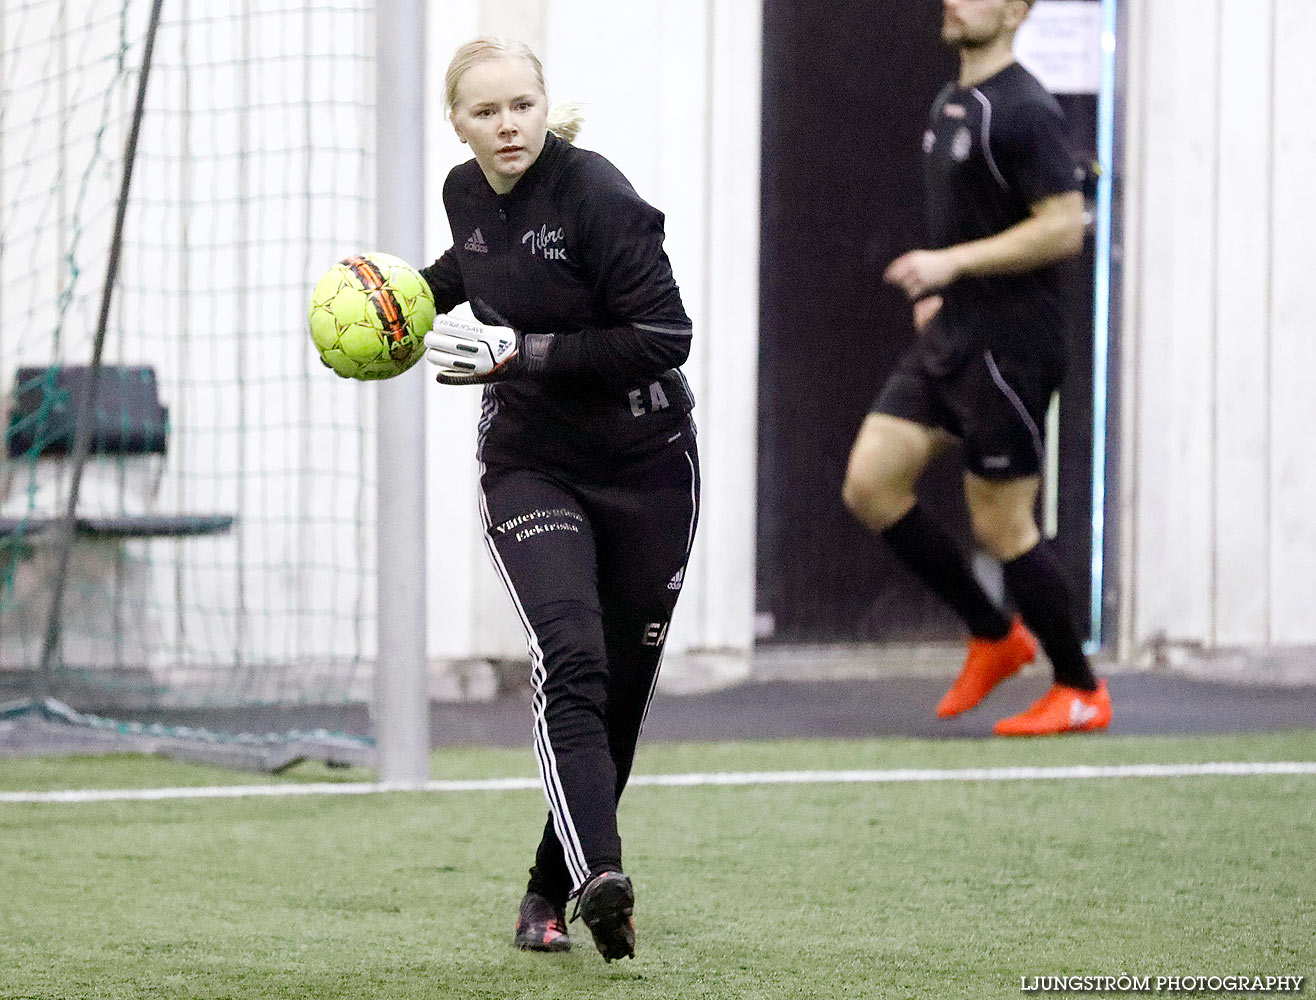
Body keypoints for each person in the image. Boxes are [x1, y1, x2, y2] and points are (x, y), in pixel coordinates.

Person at [419, 37, 699, 961]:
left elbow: (665, 334)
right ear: (457, 123)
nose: (507, 126)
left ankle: (547, 884)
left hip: (650, 464)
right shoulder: (466, 194)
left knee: (619, 689)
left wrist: (522, 353)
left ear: (545, 106)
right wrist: (397, 300)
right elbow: (475, 268)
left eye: (522, 106)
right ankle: (602, 882)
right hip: (533, 462)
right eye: (486, 111)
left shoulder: (599, 196)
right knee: (570, 653)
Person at [841, 0, 1112, 736]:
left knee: (1002, 525)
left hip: (1012, 347)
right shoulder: (953, 101)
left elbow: (1064, 226)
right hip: (953, 335)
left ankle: (1080, 687)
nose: (954, 0)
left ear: (1018, 10)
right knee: (871, 484)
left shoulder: (1025, 109)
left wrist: (948, 265)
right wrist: (943, 291)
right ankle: (994, 636)